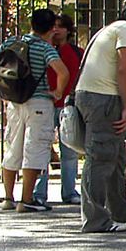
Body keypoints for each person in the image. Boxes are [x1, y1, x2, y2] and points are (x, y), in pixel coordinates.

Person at [74, 0, 126, 233]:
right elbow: (124, 68)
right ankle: (95, 220)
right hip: (103, 97)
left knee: (115, 157)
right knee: (100, 158)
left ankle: (122, 213)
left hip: (95, 95)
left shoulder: (111, 29)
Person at [0, 8, 68, 213]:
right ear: (52, 28)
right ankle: (27, 199)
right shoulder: (46, 48)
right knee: (35, 148)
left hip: (13, 102)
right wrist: (57, 92)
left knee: (13, 147)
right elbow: (62, 72)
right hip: (38, 102)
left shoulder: (12, 42)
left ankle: (8, 197)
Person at [35, 13, 83, 206]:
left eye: (61, 26)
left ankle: (69, 191)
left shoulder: (77, 52)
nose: (56, 29)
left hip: (68, 105)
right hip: (46, 103)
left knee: (69, 151)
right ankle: (39, 193)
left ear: (68, 30)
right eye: (53, 26)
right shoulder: (43, 50)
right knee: (41, 150)